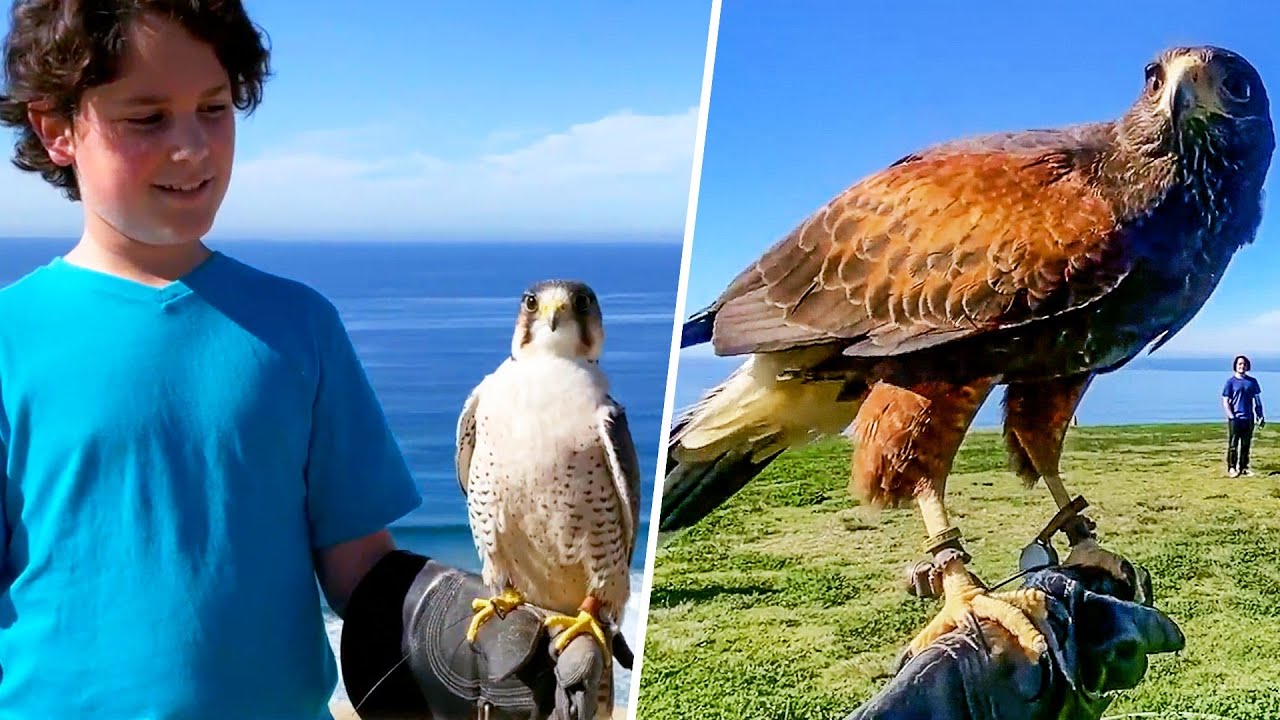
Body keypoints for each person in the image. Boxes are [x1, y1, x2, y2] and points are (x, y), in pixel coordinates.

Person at [0, 3, 607, 718]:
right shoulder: (12, 334)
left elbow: (360, 569)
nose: (193, 145)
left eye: (215, 108)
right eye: (148, 117)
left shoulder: (298, 325)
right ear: (57, 128)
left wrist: (467, 634)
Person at [1222, 354, 1264, 477]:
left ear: (1247, 366)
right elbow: (1225, 401)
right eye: (1240, 364)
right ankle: (1232, 468)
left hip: (1249, 418)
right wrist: (1231, 416)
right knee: (1233, 445)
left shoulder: (1252, 382)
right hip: (1236, 419)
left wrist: (1260, 415)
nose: (1242, 366)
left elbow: (1257, 400)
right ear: (1235, 366)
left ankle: (1244, 467)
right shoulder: (1230, 382)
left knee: (1246, 444)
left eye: (1244, 364)